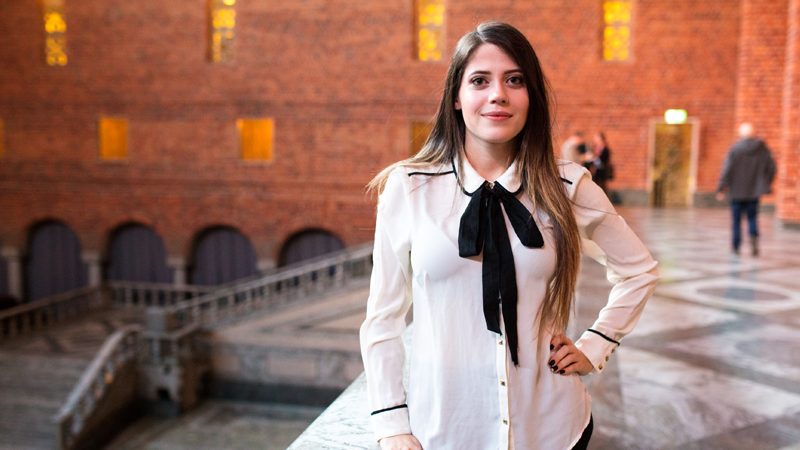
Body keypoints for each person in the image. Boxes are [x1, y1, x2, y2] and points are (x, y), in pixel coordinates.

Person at [361, 22, 659, 450]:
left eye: (514, 80)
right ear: (458, 99)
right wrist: (391, 424)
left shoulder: (568, 185)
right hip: (445, 430)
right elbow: (383, 320)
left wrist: (597, 344)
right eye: (479, 80)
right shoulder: (409, 187)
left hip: (553, 428)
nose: (497, 94)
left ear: (530, 97)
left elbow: (639, 271)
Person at [715, 122, 776, 256]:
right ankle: (754, 244)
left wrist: (721, 188)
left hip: (736, 191)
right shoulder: (762, 150)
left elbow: (727, 170)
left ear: (741, 134)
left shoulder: (735, 149)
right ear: (753, 133)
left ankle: (736, 246)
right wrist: (764, 183)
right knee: (752, 218)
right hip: (754, 192)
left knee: (736, 221)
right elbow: (772, 168)